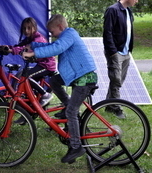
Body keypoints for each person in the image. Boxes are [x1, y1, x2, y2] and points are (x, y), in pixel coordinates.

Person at [22, 14, 97, 164]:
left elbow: (57, 48)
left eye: (53, 33)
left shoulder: (70, 35)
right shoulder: (65, 36)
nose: (52, 35)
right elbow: (51, 46)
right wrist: (34, 46)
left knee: (71, 112)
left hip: (85, 78)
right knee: (54, 80)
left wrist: (34, 53)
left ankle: (76, 147)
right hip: (77, 75)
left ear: (60, 27)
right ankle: (66, 103)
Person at [0, 17, 56, 124]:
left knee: (26, 77)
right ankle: (29, 113)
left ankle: (45, 94)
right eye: (24, 28)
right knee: (23, 78)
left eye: (29, 28)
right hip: (40, 64)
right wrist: (6, 47)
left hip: (47, 66)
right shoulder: (29, 38)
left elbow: (25, 49)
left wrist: (12, 50)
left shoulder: (38, 38)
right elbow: (19, 46)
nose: (26, 31)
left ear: (35, 28)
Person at [103, 0, 138, 119]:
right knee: (116, 80)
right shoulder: (112, 10)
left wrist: (129, 50)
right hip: (115, 53)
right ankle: (116, 108)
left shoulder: (128, 11)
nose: (137, 1)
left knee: (117, 80)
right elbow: (107, 33)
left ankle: (109, 105)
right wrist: (113, 52)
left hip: (126, 52)